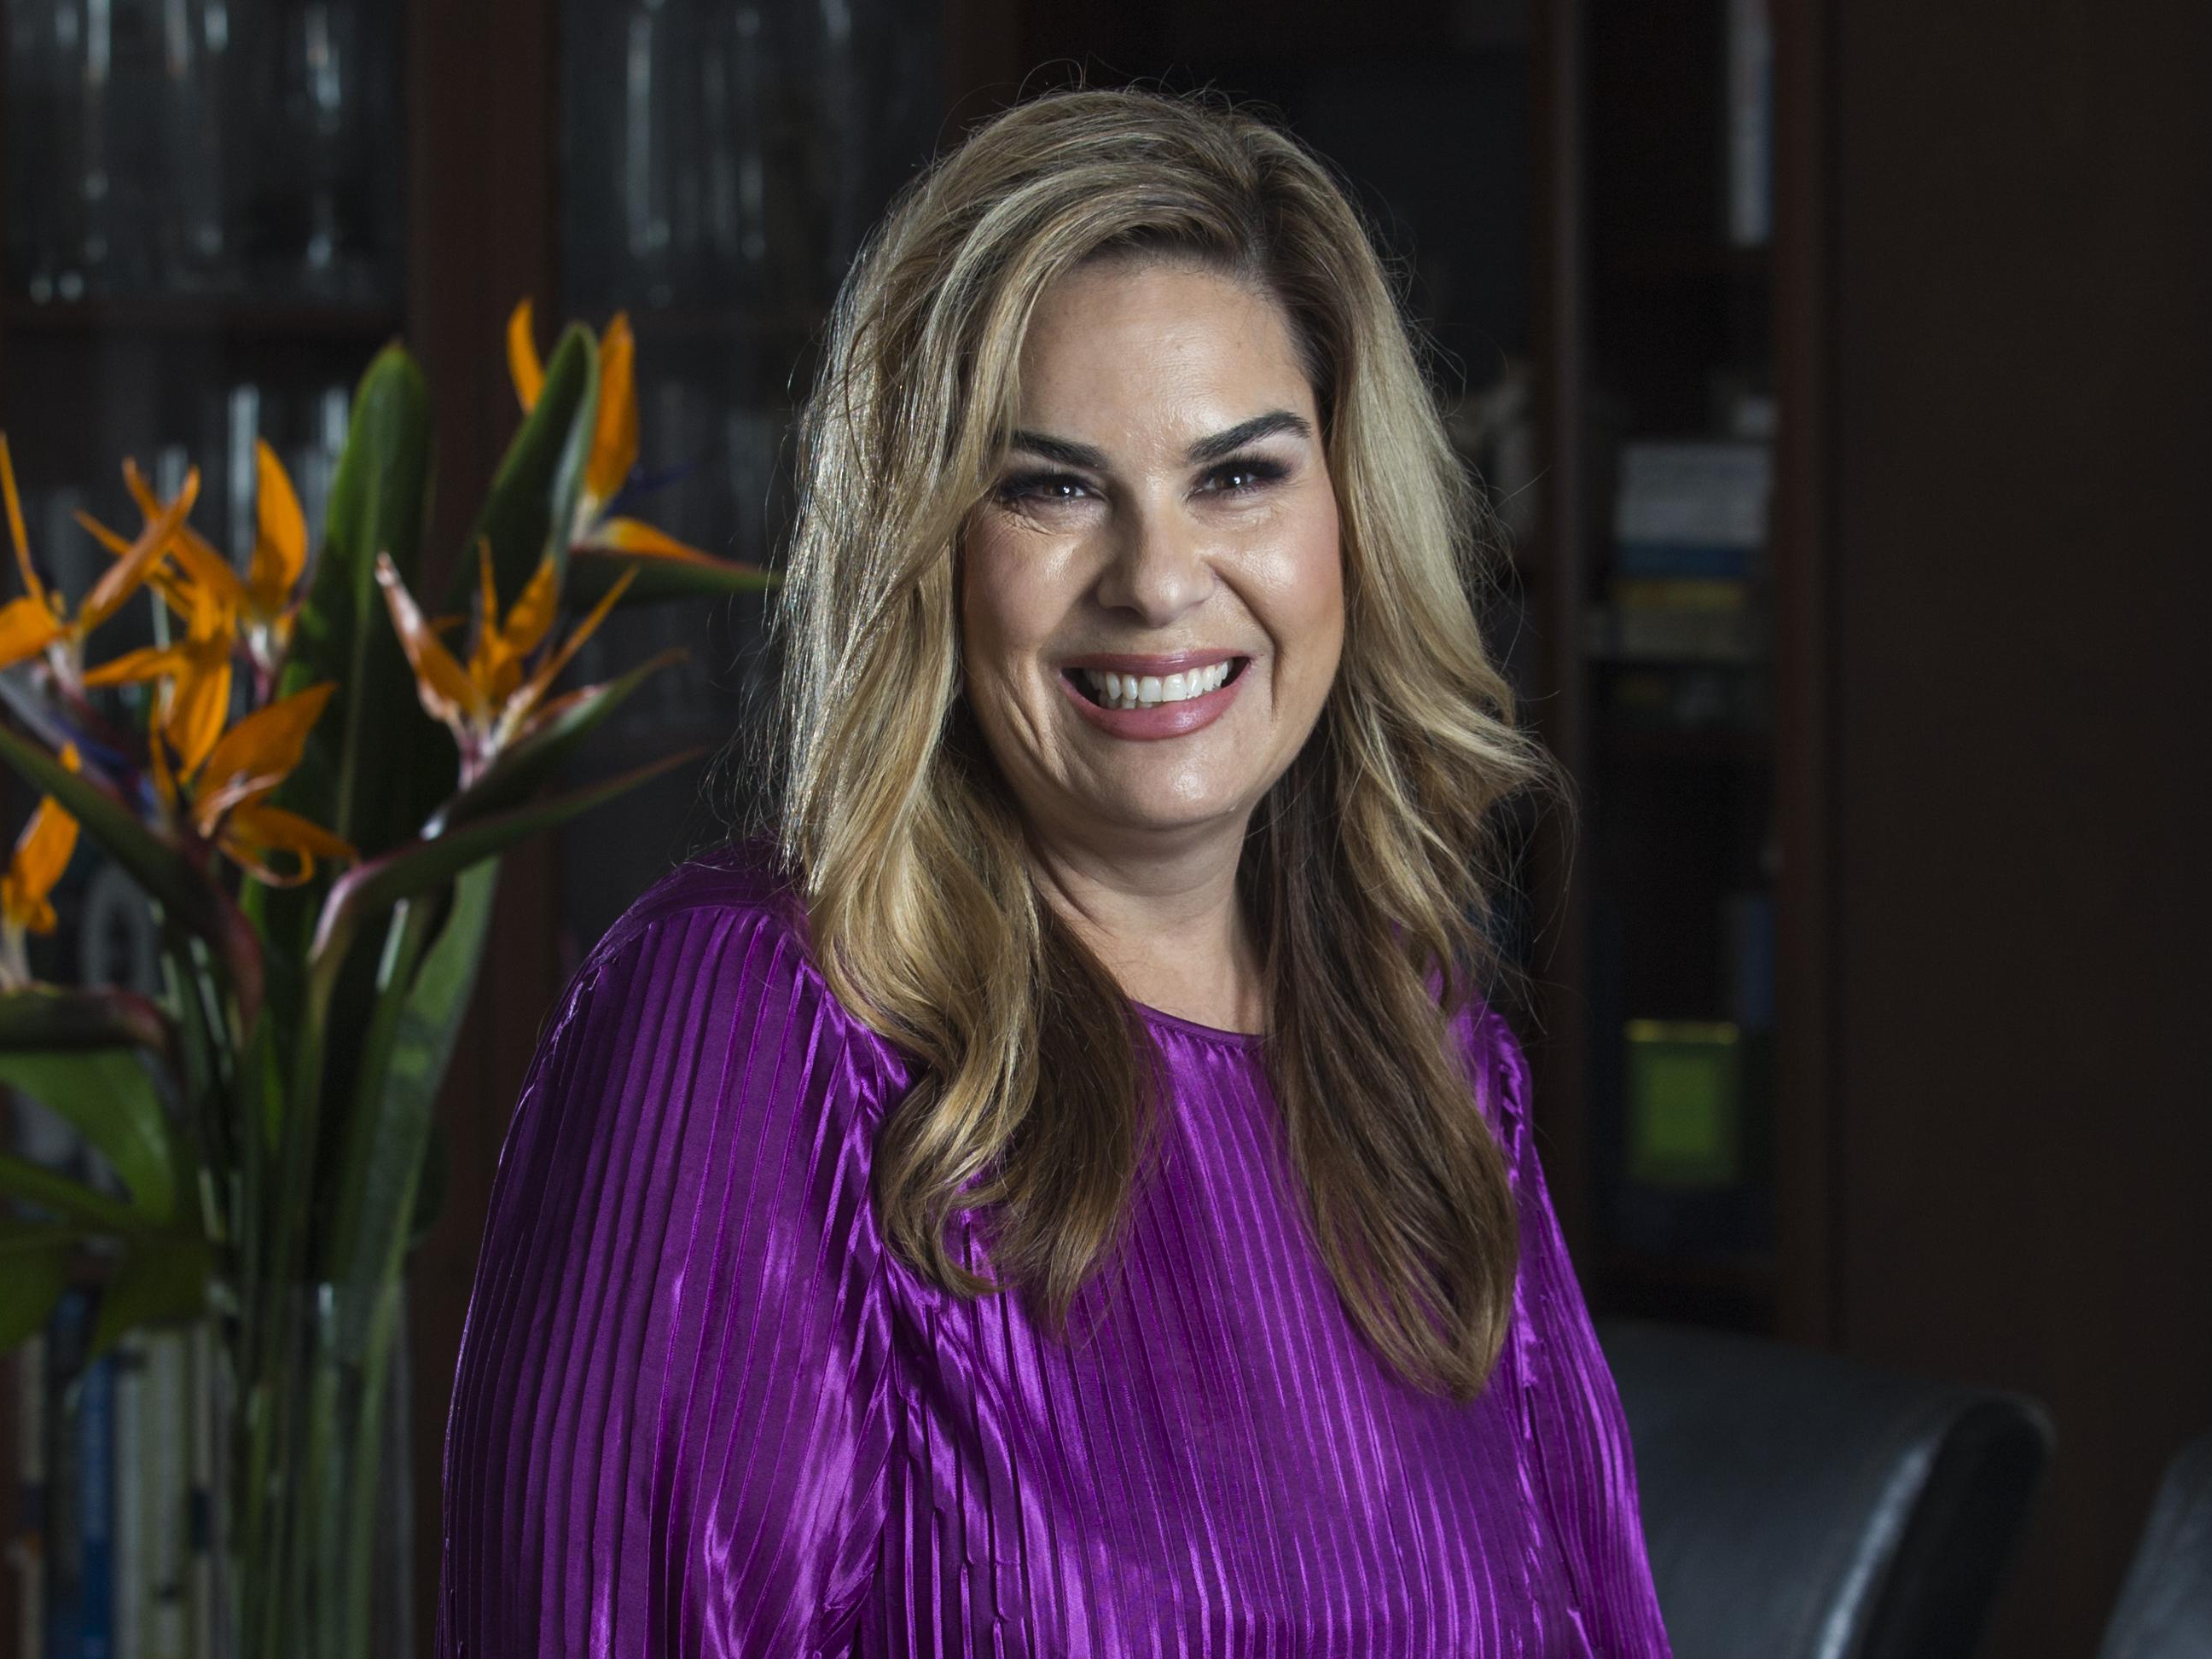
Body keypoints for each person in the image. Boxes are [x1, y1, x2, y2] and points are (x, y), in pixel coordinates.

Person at [438, 87, 1670, 1657]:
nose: (1157, 580)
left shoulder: (1429, 1057)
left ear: (1353, 520)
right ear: (931, 550)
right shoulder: (748, 1018)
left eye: (1239, 475)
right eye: (1052, 486)